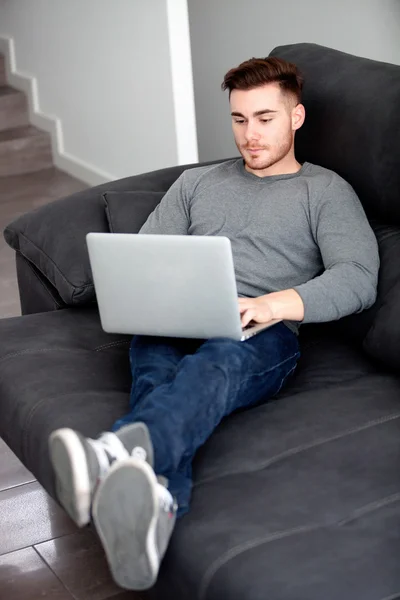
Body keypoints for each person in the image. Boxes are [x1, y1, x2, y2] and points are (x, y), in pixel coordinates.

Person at [48, 56, 379, 591]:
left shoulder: (326, 192)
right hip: (177, 315)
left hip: (261, 332)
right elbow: (150, 254)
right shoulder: (197, 183)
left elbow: (360, 276)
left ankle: (112, 452)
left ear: (296, 117)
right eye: (240, 119)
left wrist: (273, 304)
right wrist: (148, 293)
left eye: (265, 118)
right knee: (155, 366)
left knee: (215, 364)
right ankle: (155, 505)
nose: (250, 135)